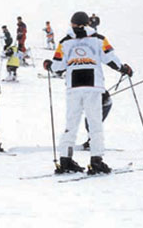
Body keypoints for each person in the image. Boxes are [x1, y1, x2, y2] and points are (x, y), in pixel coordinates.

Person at [43, 11, 133, 175]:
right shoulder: (99, 39)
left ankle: (65, 159)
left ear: (72, 24)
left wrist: (48, 65)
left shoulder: (65, 42)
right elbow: (110, 58)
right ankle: (96, 160)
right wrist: (123, 68)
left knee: (71, 124)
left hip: (73, 87)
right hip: (93, 86)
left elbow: (57, 67)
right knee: (95, 124)